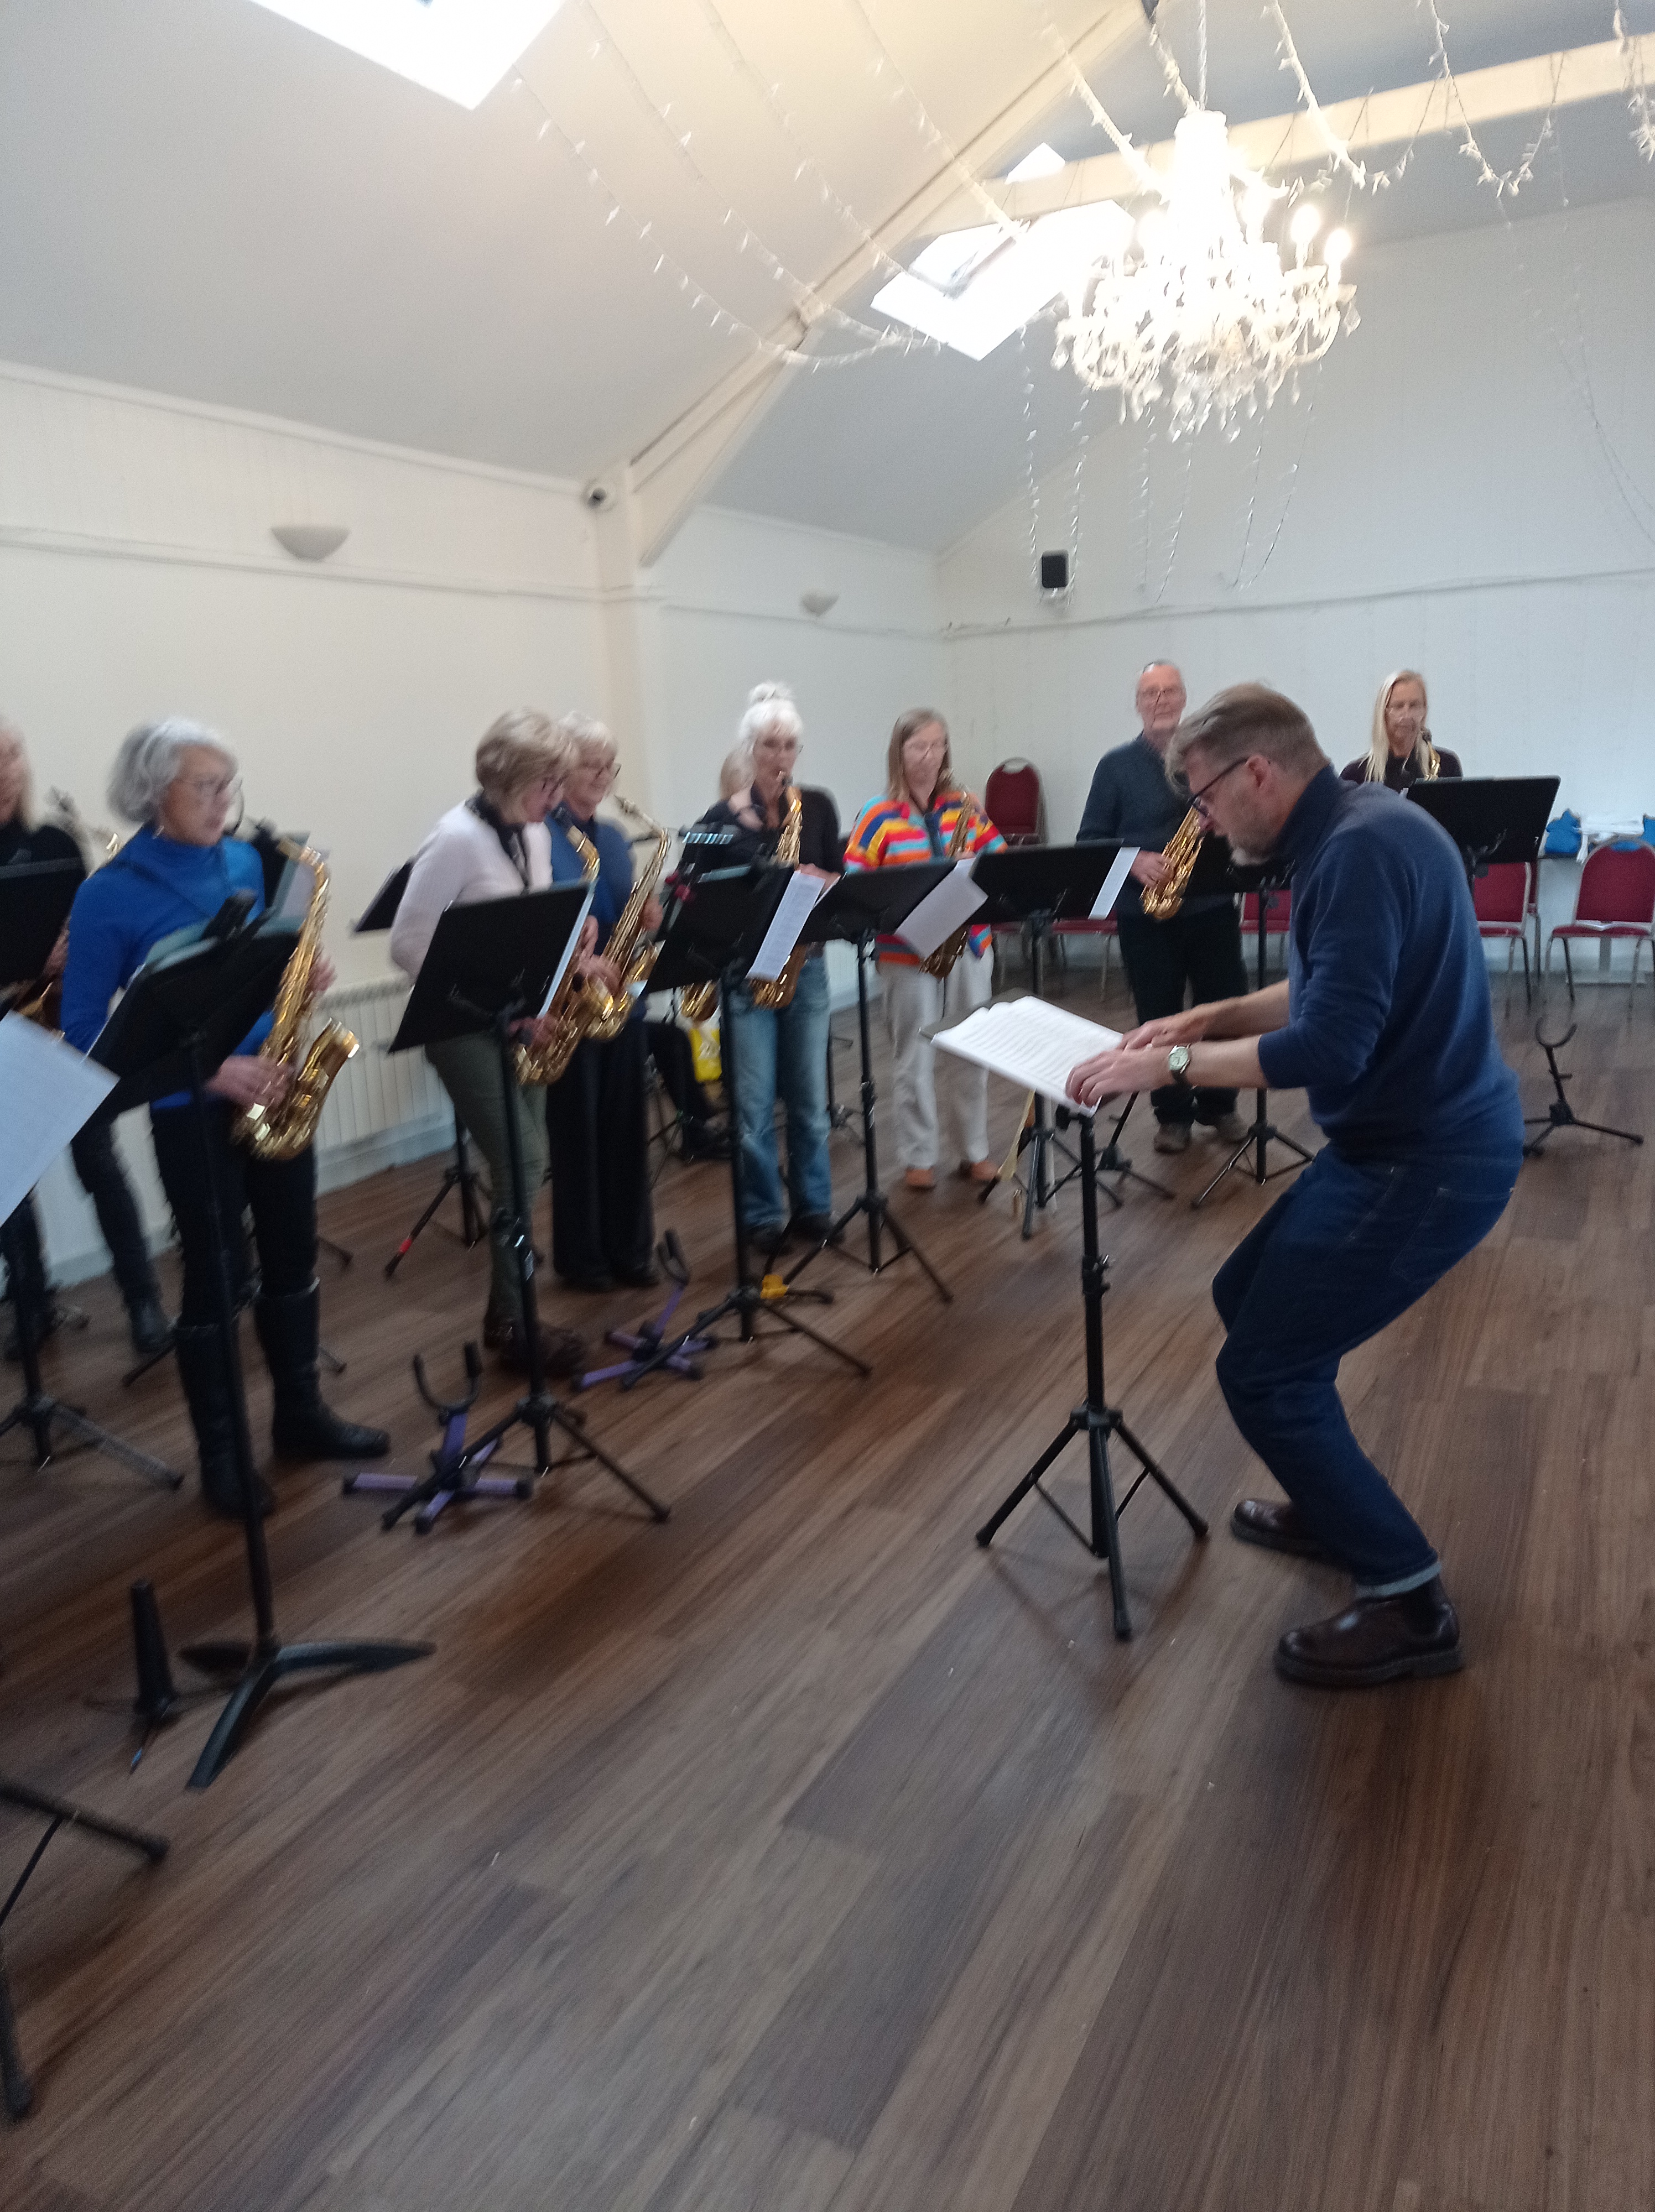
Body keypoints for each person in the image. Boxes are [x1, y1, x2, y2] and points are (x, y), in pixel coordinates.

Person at [1068, 684, 1523, 1689]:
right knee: (1246, 1301)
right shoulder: (1360, 830)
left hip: (1428, 1162)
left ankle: (1409, 1600)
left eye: (1203, 796)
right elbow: (1325, 982)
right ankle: (1328, 1502)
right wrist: (1206, 1017)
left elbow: (1326, 1042)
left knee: (1262, 1372)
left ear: (1256, 774)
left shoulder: (1354, 852)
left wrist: (1165, 1072)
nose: (1201, 817)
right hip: (1403, 1145)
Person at [60, 719, 388, 1514]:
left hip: (275, 1084)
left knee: (292, 1256)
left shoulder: (244, 861)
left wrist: (300, 982)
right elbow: (83, 1033)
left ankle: (300, 1415)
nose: (224, 802)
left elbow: (254, 971)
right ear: (151, 794)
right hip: (189, 1106)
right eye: (204, 786)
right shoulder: (108, 892)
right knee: (214, 1281)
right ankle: (224, 1457)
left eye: (228, 784)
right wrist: (211, 1075)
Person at [391, 711, 587, 1373]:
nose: (558, 798)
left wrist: (557, 968)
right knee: (523, 1160)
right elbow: (407, 944)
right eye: (549, 782)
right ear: (512, 776)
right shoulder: (455, 839)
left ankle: (507, 1311)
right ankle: (514, 1321)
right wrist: (490, 1009)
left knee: (527, 1165)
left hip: (512, 1018)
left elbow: (521, 927)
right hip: (458, 1025)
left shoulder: (529, 832)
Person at [0, 719, 173, 1362]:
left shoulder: (54, 841)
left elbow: (90, 931)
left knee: (98, 1160)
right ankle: (32, 1303)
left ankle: (144, 1301)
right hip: (4, 1027)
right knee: (10, 1185)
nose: (6, 767)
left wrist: (71, 953)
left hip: (61, 1023)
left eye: (13, 753)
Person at [693, 683, 841, 1258]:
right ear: (750, 748)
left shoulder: (818, 806)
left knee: (808, 1100)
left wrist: (827, 881)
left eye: (789, 746)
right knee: (752, 1109)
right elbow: (692, 887)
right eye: (770, 745)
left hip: (804, 968)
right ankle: (760, 1216)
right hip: (746, 973)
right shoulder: (719, 819)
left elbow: (839, 877)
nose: (780, 758)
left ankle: (813, 1206)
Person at [1078, 662, 1250, 1154]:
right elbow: (1090, 839)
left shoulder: (1209, 757)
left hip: (1211, 906)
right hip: (1145, 916)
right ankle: (1173, 1114)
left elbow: (1242, 818)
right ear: (1138, 703)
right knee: (1160, 1018)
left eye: (1169, 691)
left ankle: (1221, 1106)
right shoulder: (1115, 766)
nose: (1160, 701)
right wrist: (1133, 860)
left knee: (1221, 1012)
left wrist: (1216, 820)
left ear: (1183, 698)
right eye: (1150, 693)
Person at [844, 709, 1003, 1192]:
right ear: (900, 753)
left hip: (969, 943)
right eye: (919, 747)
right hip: (906, 951)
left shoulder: (964, 805)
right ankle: (919, 1156)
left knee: (972, 1050)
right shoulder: (877, 814)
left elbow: (999, 864)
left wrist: (978, 841)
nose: (930, 757)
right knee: (913, 1053)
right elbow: (857, 883)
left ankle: (973, 1150)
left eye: (938, 746)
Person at [543, 714, 657, 1292]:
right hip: (568, 1006)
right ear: (561, 766)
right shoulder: (541, 835)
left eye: (608, 766)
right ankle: (583, 1257)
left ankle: (631, 1248)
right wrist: (575, 963)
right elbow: (537, 922)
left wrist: (650, 917)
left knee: (624, 1129)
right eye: (590, 764)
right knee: (579, 1135)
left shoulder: (613, 839)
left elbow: (623, 918)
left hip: (620, 1001)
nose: (601, 776)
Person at [1340, 669, 1462, 787]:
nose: (1407, 716)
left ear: (1425, 711)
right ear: (1382, 713)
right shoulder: (1355, 776)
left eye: (1414, 706)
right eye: (1398, 707)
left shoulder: (1447, 765)